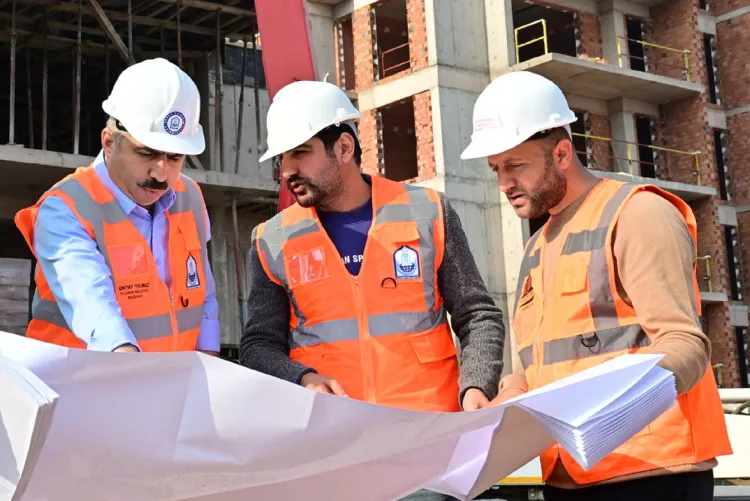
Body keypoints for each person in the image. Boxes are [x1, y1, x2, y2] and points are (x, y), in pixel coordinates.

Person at [460, 70, 733, 501]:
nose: (504, 184)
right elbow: (537, 368)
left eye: (515, 166)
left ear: (562, 153)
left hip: (650, 476)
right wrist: (500, 404)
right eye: (496, 169)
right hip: (568, 476)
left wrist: (606, 411)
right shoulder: (536, 247)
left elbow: (685, 345)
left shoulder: (636, 214)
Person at [239, 80, 506, 501]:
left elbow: (478, 314)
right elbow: (257, 346)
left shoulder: (428, 212)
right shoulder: (270, 240)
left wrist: (476, 386)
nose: (286, 171)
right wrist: (302, 378)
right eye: (282, 158)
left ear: (344, 148)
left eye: (300, 153)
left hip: (426, 447)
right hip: (331, 451)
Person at [14, 58, 220, 355]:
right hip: (80, 381)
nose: (161, 173)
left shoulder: (189, 197)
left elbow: (203, 293)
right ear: (109, 143)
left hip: (171, 380)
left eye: (175, 158)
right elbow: (93, 305)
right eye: (147, 153)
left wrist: (208, 365)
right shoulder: (66, 209)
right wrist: (126, 358)